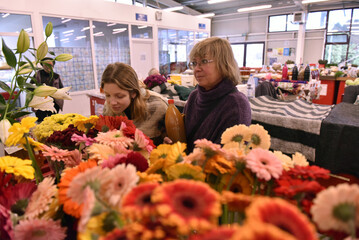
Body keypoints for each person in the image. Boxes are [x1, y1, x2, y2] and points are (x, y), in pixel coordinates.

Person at [183, 37, 251, 152]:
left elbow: (227, 158)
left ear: (223, 64)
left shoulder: (236, 104)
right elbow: (183, 139)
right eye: (194, 63)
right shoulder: (194, 96)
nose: (197, 69)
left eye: (204, 61)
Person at [101, 62, 168, 145]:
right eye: (107, 95)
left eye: (119, 96)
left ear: (133, 93)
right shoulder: (108, 105)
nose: (112, 102)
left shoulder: (157, 106)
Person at [34, 58, 64, 122]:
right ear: (43, 66)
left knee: (53, 121)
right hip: (41, 103)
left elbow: (61, 88)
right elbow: (31, 87)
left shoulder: (56, 76)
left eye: (50, 65)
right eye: (46, 65)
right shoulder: (37, 75)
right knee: (41, 121)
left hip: (54, 102)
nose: (49, 67)